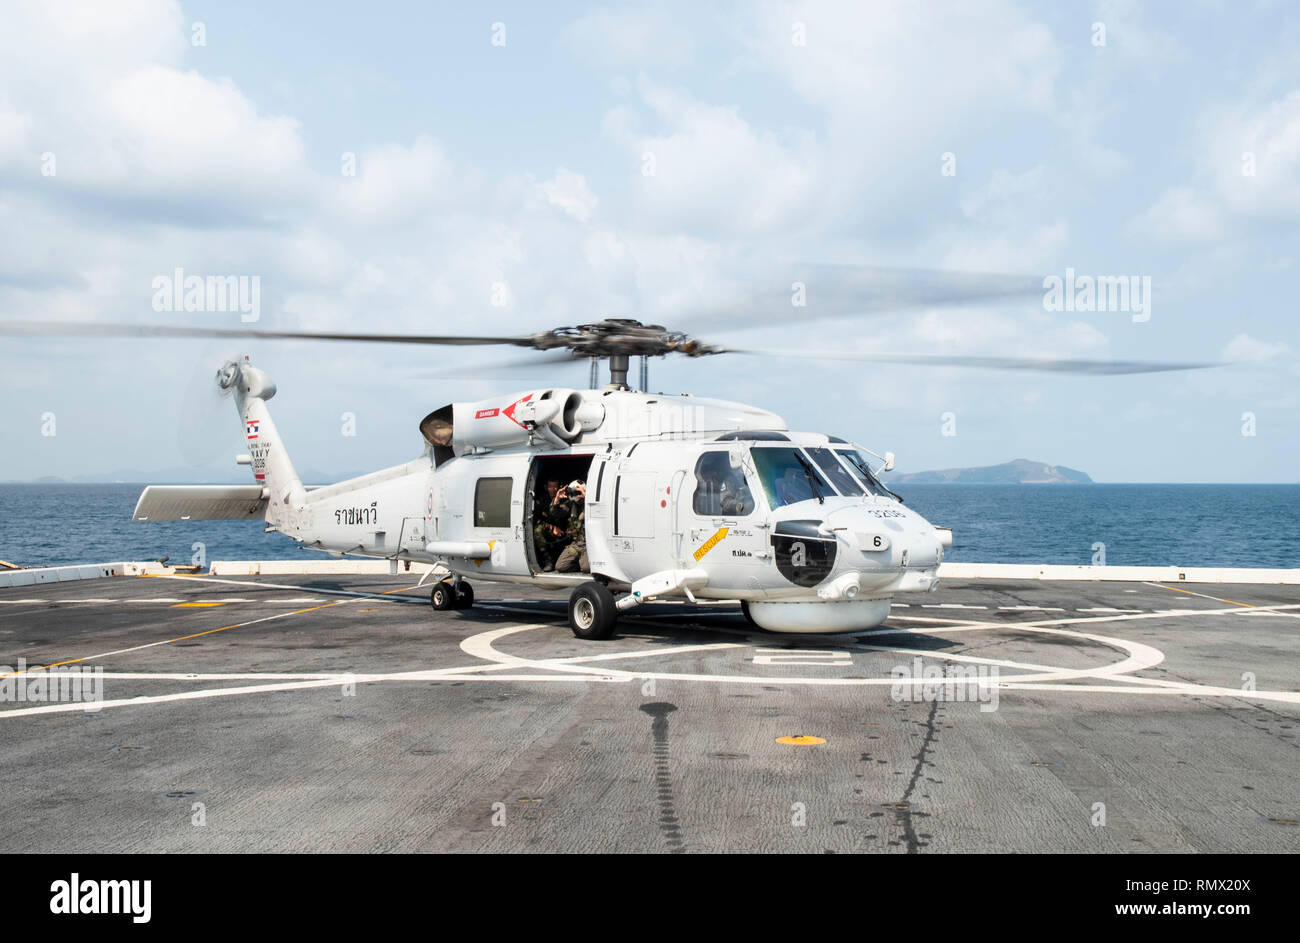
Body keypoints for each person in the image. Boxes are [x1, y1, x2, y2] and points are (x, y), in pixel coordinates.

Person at [534, 479, 570, 571]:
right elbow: (535, 520)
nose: (553, 489)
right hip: (550, 530)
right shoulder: (541, 501)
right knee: (538, 530)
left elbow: (566, 516)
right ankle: (547, 560)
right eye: (550, 487)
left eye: (555, 487)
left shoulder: (565, 500)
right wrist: (551, 527)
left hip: (564, 530)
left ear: (559, 488)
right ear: (546, 487)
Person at [554, 481, 588, 572]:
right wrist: (557, 499)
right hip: (576, 544)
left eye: (578, 492)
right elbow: (555, 513)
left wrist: (587, 496)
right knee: (560, 567)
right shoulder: (571, 505)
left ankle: (583, 564)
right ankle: (579, 564)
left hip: (589, 545)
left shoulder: (591, 505)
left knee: (586, 568)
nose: (577, 497)